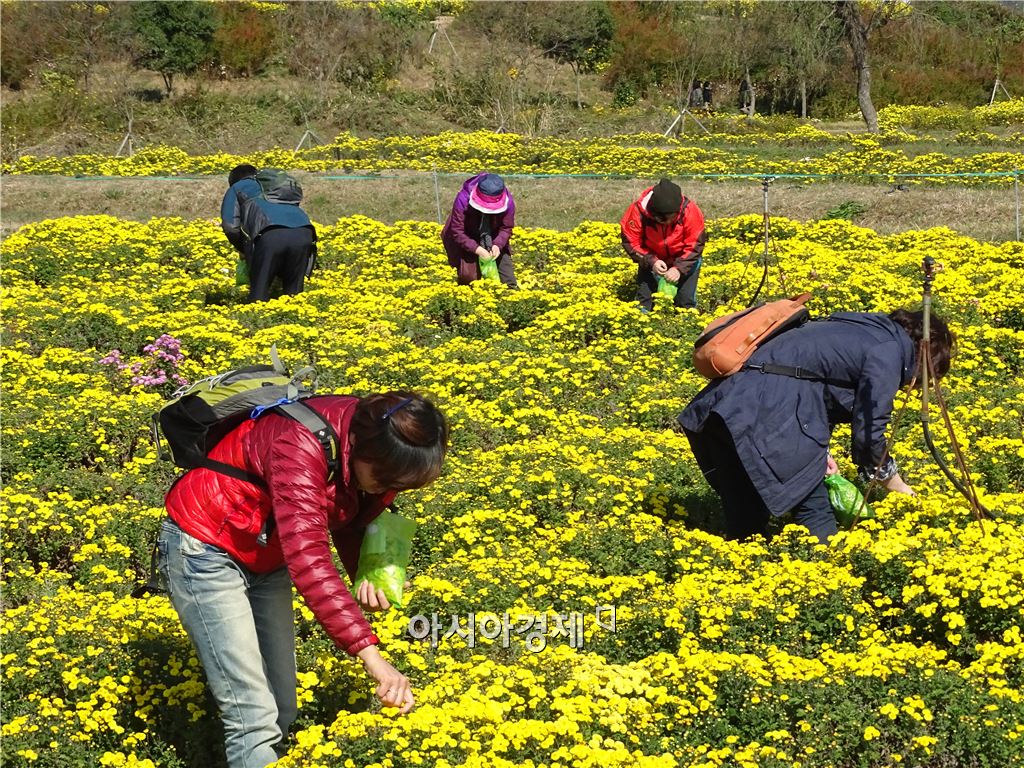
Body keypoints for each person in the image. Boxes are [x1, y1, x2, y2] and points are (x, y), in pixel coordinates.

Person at [157, 391, 449, 768]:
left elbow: (346, 507)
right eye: (385, 478)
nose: (387, 488)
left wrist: (371, 568)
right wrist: (373, 658)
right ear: (364, 449)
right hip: (206, 549)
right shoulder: (298, 444)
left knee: (282, 705)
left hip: (267, 549)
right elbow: (310, 559)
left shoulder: (363, 432)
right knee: (253, 718)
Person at [677, 309, 955, 543]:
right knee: (814, 510)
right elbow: (871, 434)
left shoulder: (856, 328)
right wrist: (899, 489)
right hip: (767, 413)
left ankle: (741, 585)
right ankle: (828, 581)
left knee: (746, 517)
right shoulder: (888, 352)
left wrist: (819, 453)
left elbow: (809, 382)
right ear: (927, 355)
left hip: (725, 406)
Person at [220, 164, 317, 302]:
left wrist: (243, 248)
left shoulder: (238, 187)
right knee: (294, 296)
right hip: (304, 232)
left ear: (233, 181)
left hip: (270, 235)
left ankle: (256, 320)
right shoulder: (275, 186)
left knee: (258, 295)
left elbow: (230, 226)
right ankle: (298, 320)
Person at [620, 178, 707, 311]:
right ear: (654, 214)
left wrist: (678, 268)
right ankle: (641, 326)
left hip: (685, 259)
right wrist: (651, 261)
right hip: (650, 258)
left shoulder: (690, 211)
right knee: (643, 301)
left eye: (673, 218)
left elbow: (695, 245)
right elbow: (631, 242)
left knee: (685, 301)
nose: (668, 222)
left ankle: (686, 326)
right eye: (664, 219)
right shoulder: (637, 211)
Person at [441, 172, 518, 288]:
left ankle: (508, 301)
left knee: (508, 281)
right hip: (466, 236)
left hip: (494, 236)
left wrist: (497, 245)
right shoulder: (463, 198)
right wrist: (478, 250)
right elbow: (457, 231)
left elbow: (506, 228)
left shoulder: (508, 202)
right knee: (469, 280)